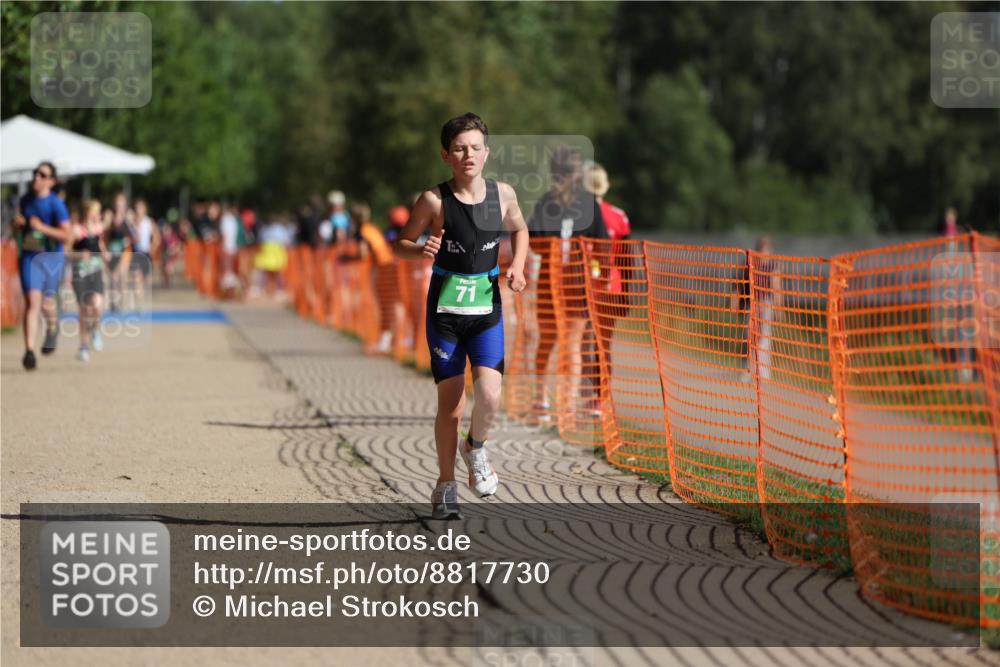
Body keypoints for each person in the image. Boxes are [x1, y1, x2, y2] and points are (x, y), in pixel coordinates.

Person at [394, 112, 528, 519]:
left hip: (486, 309)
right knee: (450, 405)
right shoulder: (434, 200)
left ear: (486, 153)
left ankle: (476, 448)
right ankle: (445, 484)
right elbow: (399, 243)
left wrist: (518, 266)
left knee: (490, 393)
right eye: (459, 149)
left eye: (474, 147)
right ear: (445, 155)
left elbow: (521, 229)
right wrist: (419, 251)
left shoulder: (502, 195)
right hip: (446, 313)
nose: (467, 155)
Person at [528, 146, 608, 420]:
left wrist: (552, 249)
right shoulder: (589, 203)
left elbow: (534, 241)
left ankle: (542, 401)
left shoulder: (546, 202)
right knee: (573, 344)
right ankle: (568, 404)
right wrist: (601, 272)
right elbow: (604, 246)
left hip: (553, 282)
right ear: (577, 172)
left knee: (548, 341)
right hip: (576, 282)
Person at [13, 161, 72, 370]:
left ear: (51, 181)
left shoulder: (56, 204)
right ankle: (29, 352)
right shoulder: (25, 200)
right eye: (35, 173)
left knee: (47, 303)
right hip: (29, 257)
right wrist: (17, 226)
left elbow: (67, 235)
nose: (36, 177)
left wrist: (42, 228)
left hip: (51, 258)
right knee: (32, 301)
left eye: (42, 174)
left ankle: (53, 327)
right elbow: (18, 229)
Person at [69, 200, 109, 361]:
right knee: (84, 310)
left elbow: (101, 247)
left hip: (96, 272)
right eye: (95, 212)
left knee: (97, 305)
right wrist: (79, 255)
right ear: (87, 213)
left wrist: (106, 256)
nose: (97, 215)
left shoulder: (99, 230)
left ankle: (95, 330)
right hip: (80, 274)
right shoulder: (76, 230)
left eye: (98, 212)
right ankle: (83, 346)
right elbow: (66, 251)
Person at [104, 192, 133, 312]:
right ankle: (113, 301)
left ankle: (120, 302)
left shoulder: (129, 215)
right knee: (112, 277)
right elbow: (104, 231)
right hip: (112, 250)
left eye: (122, 203)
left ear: (125, 204)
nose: (119, 205)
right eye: (117, 202)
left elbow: (133, 233)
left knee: (121, 276)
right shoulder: (109, 215)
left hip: (125, 251)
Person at [130, 198, 160, 302]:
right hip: (135, 253)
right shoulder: (131, 222)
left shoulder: (149, 222)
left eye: (140, 207)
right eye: (137, 207)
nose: (138, 210)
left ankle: (143, 300)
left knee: (145, 280)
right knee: (136, 279)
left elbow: (157, 238)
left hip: (146, 253)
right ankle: (139, 302)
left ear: (145, 209)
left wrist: (152, 248)